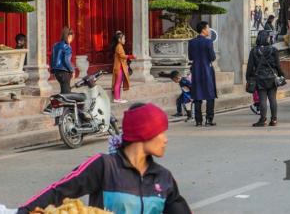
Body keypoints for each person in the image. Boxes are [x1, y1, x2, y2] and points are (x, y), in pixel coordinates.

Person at [17, 103, 192, 213]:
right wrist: (24, 211)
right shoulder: (105, 166)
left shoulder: (163, 178)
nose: (165, 139)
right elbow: (59, 191)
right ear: (144, 133)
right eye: (161, 132)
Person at [246, 30, 284, 127]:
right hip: (272, 77)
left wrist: (248, 78)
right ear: (267, 38)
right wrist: (282, 75)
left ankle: (262, 120)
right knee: (272, 99)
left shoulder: (254, 51)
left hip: (260, 78)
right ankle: (274, 119)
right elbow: (278, 65)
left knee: (262, 99)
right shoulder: (273, 50)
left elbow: (250, 66)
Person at [188, 21, 217, 126]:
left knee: (197, 95)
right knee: (210, 95)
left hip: (196, 70)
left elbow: (190, 57)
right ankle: (209, 119)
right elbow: (212, 57)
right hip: (207, 70)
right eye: (208, 28)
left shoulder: (191, 42)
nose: (209, 30)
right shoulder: (208, 42)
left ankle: (198, 120)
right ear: (203, 30)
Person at [111, 32, 133, 104]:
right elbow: (122, 56)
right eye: (123, 38)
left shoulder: (119, 46)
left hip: (120, 67)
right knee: (118, 83)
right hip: (119, 68)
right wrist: (130, 56)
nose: (124, 40)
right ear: (119, 39)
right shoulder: (119, 46)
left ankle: (118, 98)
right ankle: (116, 98)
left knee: (119, 83)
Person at [51, 27, 75, 94]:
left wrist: (52, 71)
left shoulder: (56, 45)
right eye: (71, 37)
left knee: (63, 91)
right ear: (69, 36)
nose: (71, 39)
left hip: (57, 72)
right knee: (67, 93)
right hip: (64, 72)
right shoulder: (67, 47)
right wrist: (72, 70)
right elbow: (66, 60)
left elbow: (52, 58)